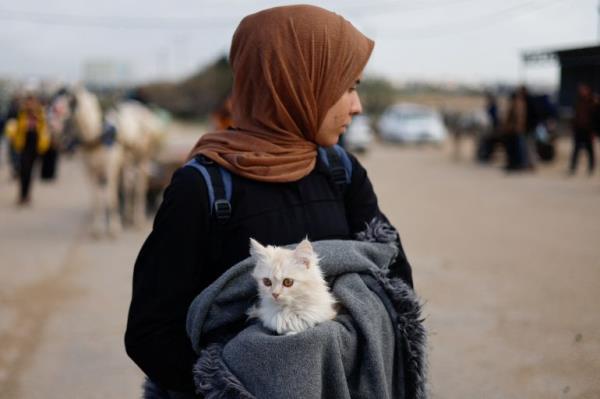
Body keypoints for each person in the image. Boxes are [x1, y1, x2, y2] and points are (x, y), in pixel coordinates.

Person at [125, 5, 413, 397]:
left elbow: (395, 282)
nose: (357, 106)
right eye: (347, 87)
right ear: (295, 83)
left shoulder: (342, 171)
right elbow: (150, 330)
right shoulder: (202, 187)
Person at [6, 93, 50, 205]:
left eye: (32, 102)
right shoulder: (21, 114)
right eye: (28, 102)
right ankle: (22, 194)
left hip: (35, 144)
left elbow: (44, 129)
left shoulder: (40, 114)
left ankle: (27, 195)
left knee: (30, 171)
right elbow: (14, 126)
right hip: (23, 143)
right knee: (23, 171)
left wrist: (37, 117)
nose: (30, 105)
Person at [569, 83, 595, 175]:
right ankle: (573, 167)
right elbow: (574, 116)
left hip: (588, 129)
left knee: (589, 150)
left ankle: (591, 167)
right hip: (578, 129)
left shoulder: (592, 102)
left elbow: (595, 118)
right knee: (576, 149)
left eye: (583, 90)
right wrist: (573, 127)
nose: (582, 92)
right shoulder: (577, 102)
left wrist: (594, 131)